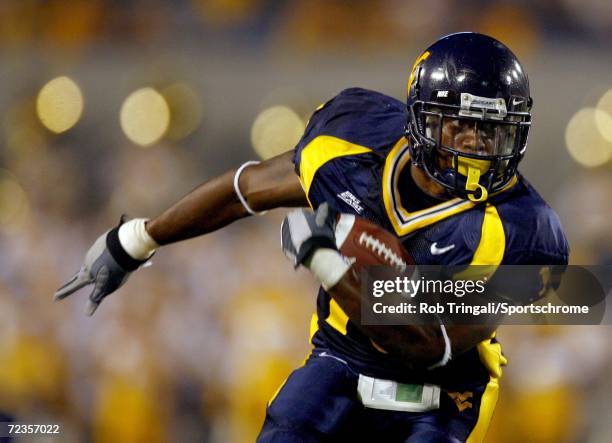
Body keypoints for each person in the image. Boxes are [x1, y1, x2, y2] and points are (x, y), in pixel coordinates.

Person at [55, 32, 569, 442]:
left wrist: (327, 262)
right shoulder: (352, 142)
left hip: (445, 394)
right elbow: (245, 188)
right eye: (464, 127)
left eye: (494, 132)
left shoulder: (523, 230)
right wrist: (138, 238)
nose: (480, 146)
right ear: (424, 120)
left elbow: (427, 344)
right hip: (343, 359)